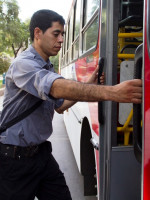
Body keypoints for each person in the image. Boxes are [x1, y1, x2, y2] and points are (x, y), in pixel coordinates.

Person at [0, 9, 142, 200]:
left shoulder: (46, 65)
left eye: (63, 35)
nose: (61, 40)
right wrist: (114, 92)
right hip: (14, 161)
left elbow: (59, 105)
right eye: (56, 34)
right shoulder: (23, 64)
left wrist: (88, 85)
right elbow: (56, 88)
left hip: (41, 154)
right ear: (37, 33)